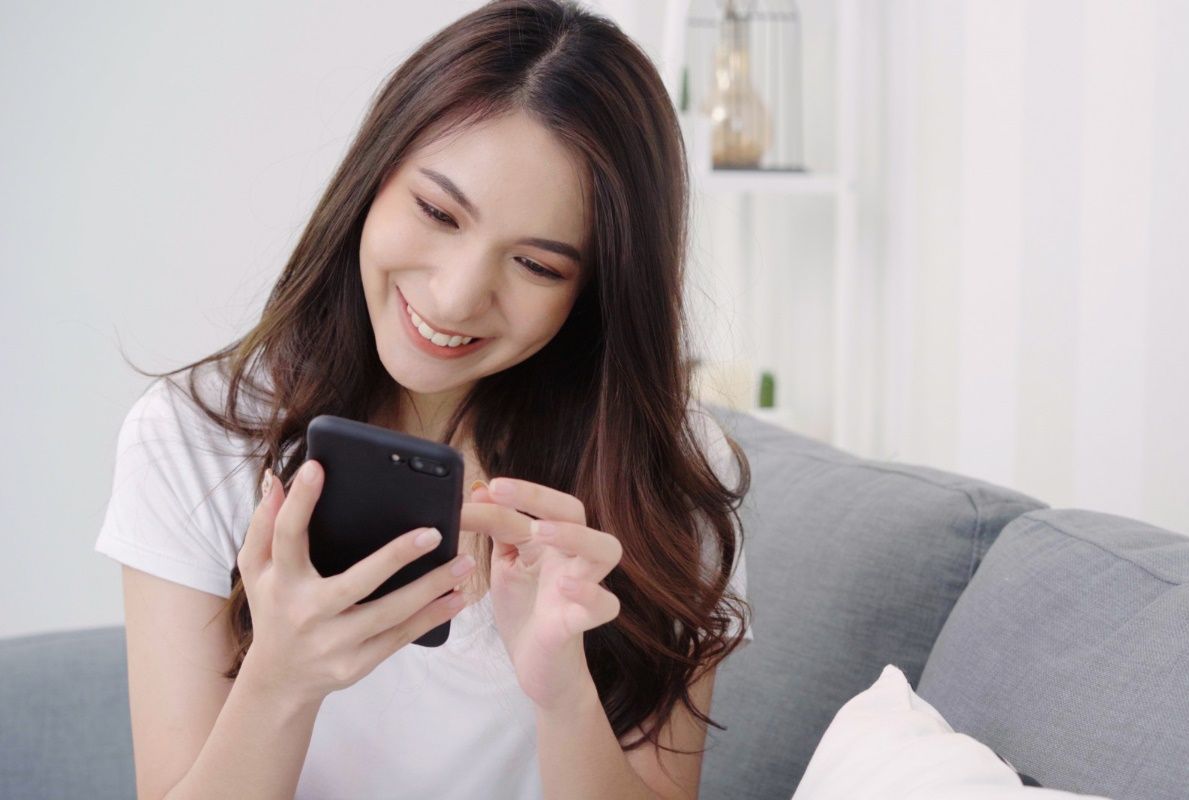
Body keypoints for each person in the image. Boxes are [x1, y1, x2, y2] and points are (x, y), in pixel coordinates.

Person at [94, 1, 754, 798]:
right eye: (438, 213)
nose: (455, 295)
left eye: (538, 266)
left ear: (597, 292)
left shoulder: (659, 473)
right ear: (373, 178)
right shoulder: (191, 439)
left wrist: (564, 694)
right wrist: (281, 681)